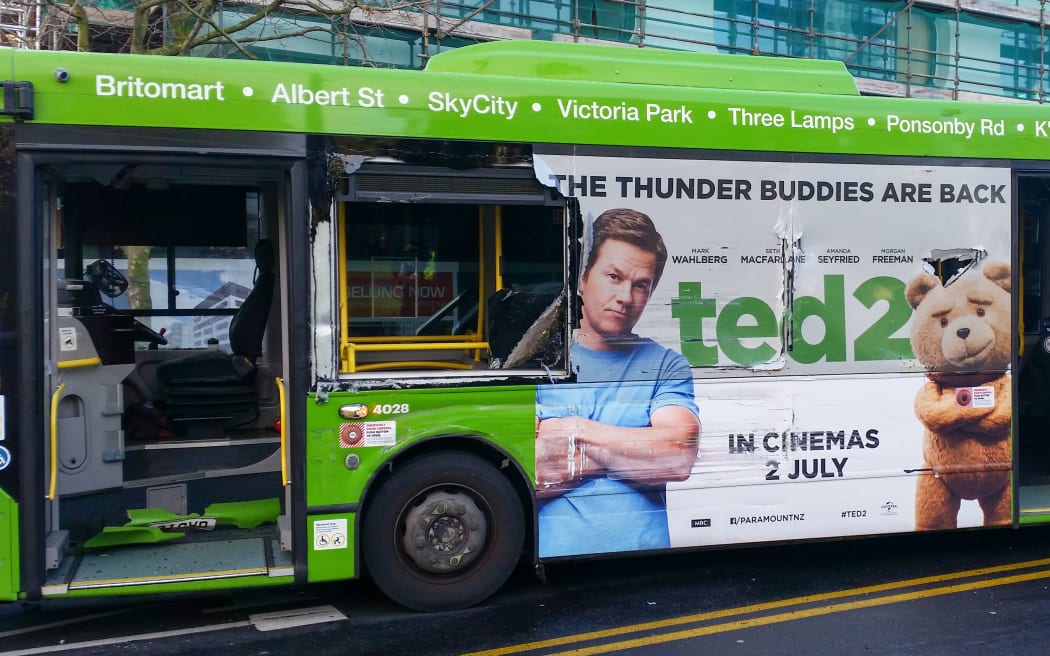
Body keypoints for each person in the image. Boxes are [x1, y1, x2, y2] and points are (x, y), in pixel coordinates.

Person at [536, 208, 701, 557]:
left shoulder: (666, 366)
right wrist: (635, 450)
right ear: (582, 278)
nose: (627, 297)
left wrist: (573, 430)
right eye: (614, 276)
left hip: (642, 567)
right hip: (552, 562)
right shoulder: (535, 363)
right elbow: (529, 469)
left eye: (641, 285)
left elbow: (677, 457)